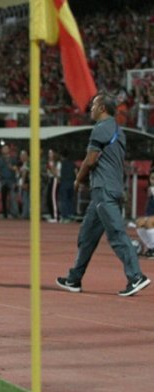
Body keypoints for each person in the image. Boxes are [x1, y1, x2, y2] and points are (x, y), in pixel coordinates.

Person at [56, 92, 150, 297]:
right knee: (87, 237)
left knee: (116, 234)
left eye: (93, 105)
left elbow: (90, 160)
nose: (90, 108)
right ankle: (74, 278)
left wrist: (78, 179)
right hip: (111, 189)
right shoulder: (118, 130)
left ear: (102, 108)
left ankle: (136, 276)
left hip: (103, 190)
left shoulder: (100, 129)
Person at [133, 170, 154, 258]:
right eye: (152, 178)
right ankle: (151, 248)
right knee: (139, 222)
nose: (153, 181)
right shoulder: (151, 193)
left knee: (149, 221)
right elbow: (148, 213)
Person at [0, 145, 18, 219]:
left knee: (13, 197)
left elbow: (16, 167)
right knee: (3, 197)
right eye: (4, 148)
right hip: (3, 179)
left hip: (11, 179)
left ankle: (14, 213)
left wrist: (13, 168)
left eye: (6, 148)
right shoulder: (0, 159)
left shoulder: (13, 159)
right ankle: (5, 213)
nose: (5, 150)